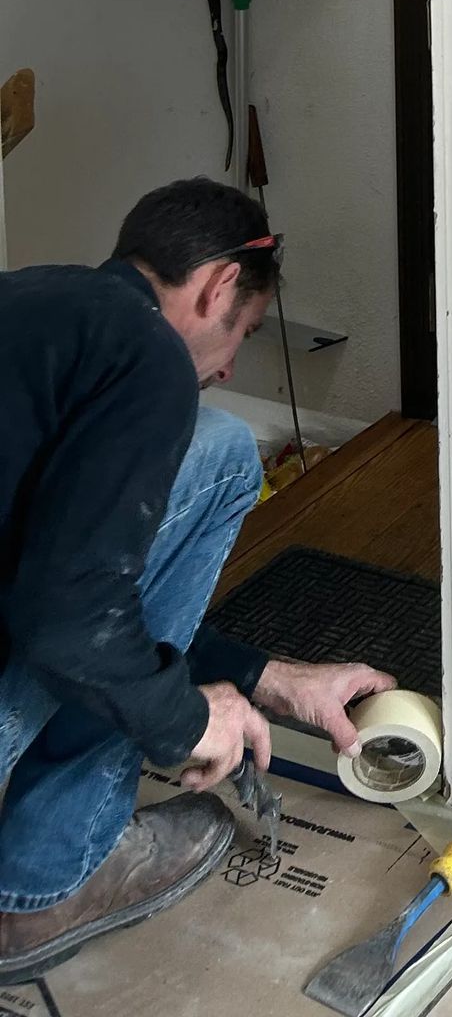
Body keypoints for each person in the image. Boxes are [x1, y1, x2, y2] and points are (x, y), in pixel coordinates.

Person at [0, 178, 399, 982]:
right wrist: (184, 720)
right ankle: (42, 882)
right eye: (245, 332)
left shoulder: (30, 305)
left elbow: (61, 576)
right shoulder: (148, 358)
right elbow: (70, 620)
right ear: (219, 286)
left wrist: (264, 678)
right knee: (218, 452)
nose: (225, 368)